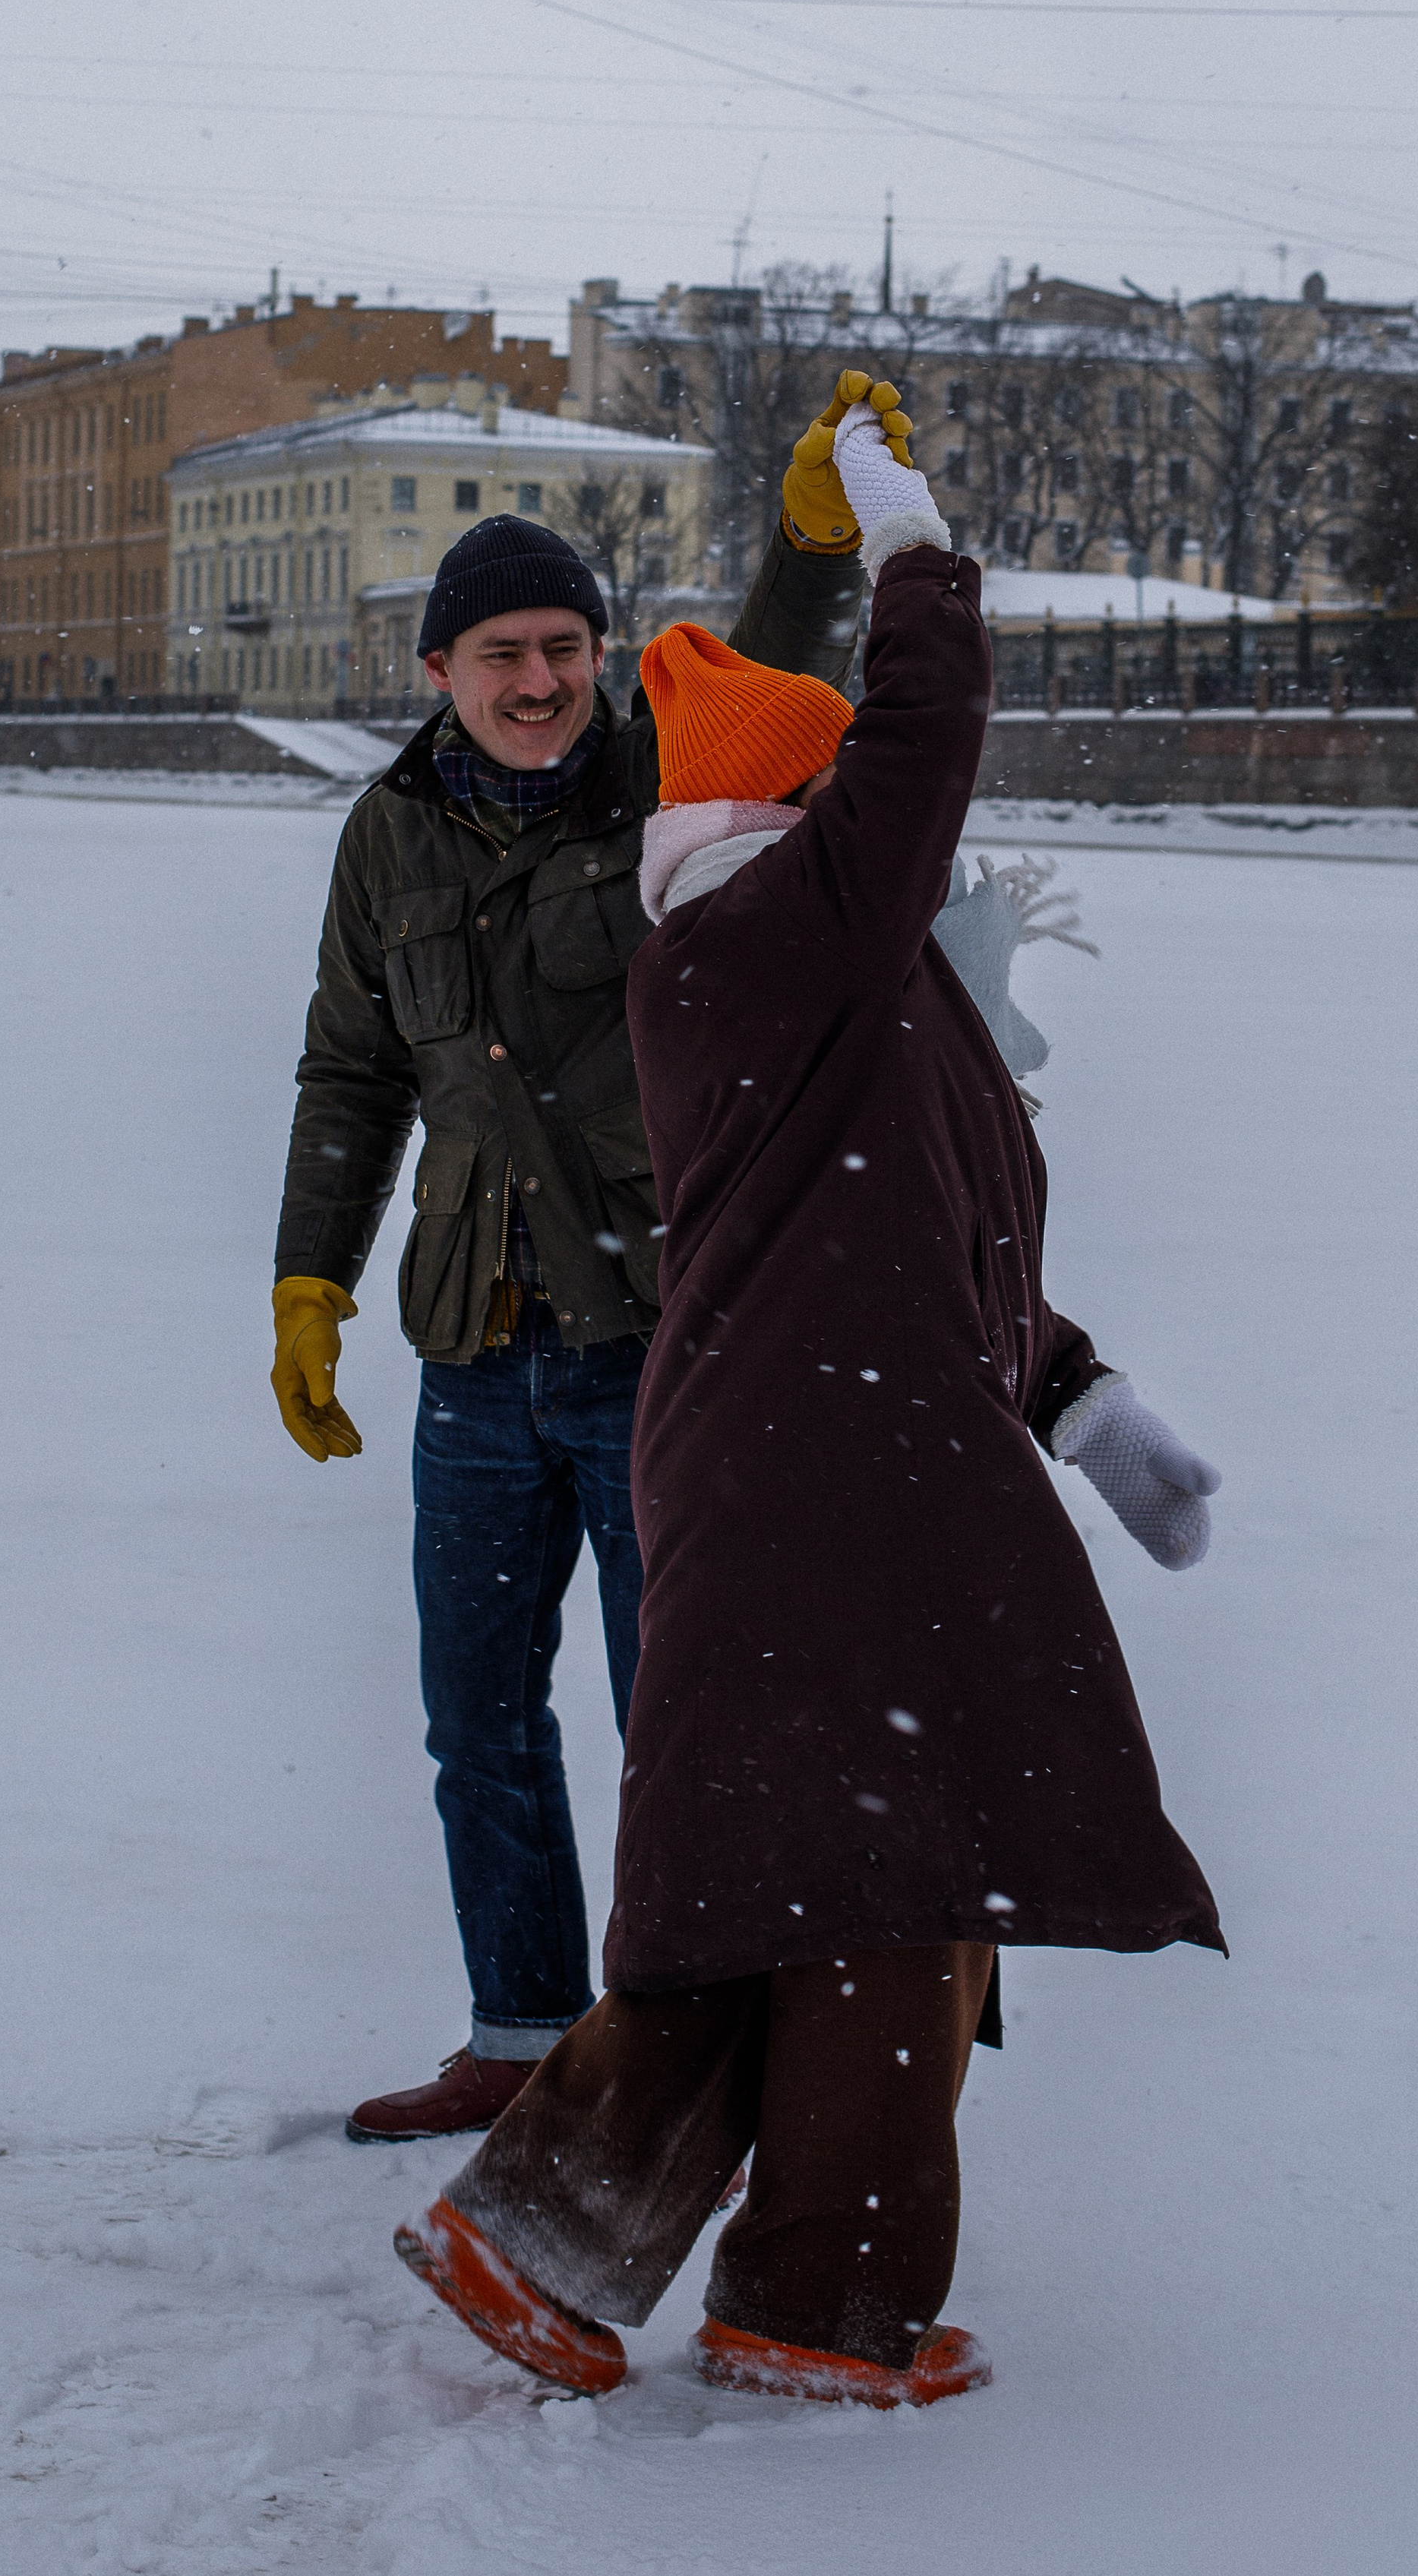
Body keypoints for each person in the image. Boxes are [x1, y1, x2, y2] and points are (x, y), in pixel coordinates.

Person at [393, 394, 1224, 2407]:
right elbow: (924, 746)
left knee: (825, 1866)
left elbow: (916, 1250)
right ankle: (794, 2305)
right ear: (786, 809)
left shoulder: (840, 990)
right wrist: (911, 546)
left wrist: (1083, 1399)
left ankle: (563, 2240)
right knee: (883, 1872)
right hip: (826, 1483)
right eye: (840, 785)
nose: (881, 809)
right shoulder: (766, 940)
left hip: (847, 1456)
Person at [270, 379, 893, 2143]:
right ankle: (523, 2030)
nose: (538, 680)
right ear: (437, 673)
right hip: (472, 1345)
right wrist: (306, 1281)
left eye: (564, 646)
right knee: (476, 1722)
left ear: (601, 656)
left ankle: (684, 2061)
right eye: (500, 654)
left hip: (659, 1337)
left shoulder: (667, 784)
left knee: (679, 1728)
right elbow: (352, 1066)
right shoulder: (384, 834)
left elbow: (773, 676)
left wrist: (808, 549)